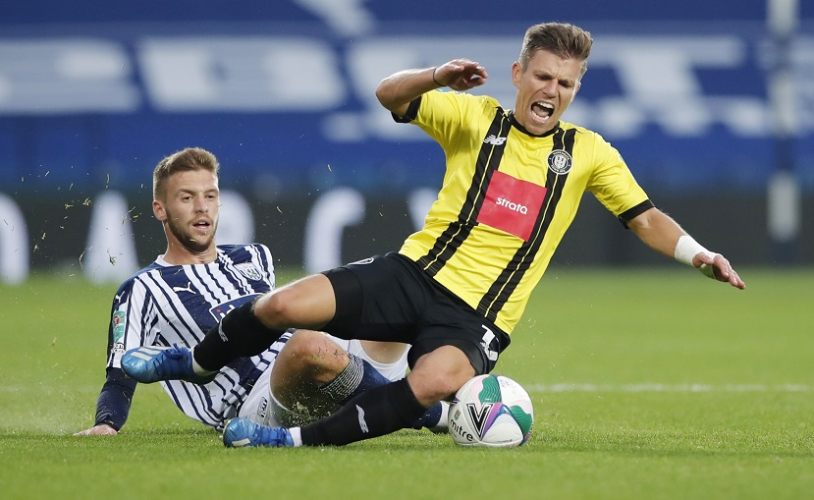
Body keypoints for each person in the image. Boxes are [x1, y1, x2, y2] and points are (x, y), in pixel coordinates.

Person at [121, 22, 745, 448]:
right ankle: (196, 363)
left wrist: (699, 254)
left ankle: (288, 440)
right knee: (285, 305)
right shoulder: (474, 118)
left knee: (435, 384)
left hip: (476, 316)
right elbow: (387, 93)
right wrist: (437, 76)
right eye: (543, 76)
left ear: (575, 89)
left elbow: (645, 218)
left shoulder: (588, 153)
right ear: (518, 73)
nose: (551, 91)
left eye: (566, 83)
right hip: (412, 275)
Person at [75, 147, 445, 437]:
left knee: (397, 289)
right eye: (186, 198)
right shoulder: (141, 288)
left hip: (314, 363)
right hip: (254, 402)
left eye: (210, 196)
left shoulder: (253, 256)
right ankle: (434, 414)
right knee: (306, 344)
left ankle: (426, 390)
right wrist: (107, 423)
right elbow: (120, 374)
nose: (202, 207)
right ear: (160, 209)